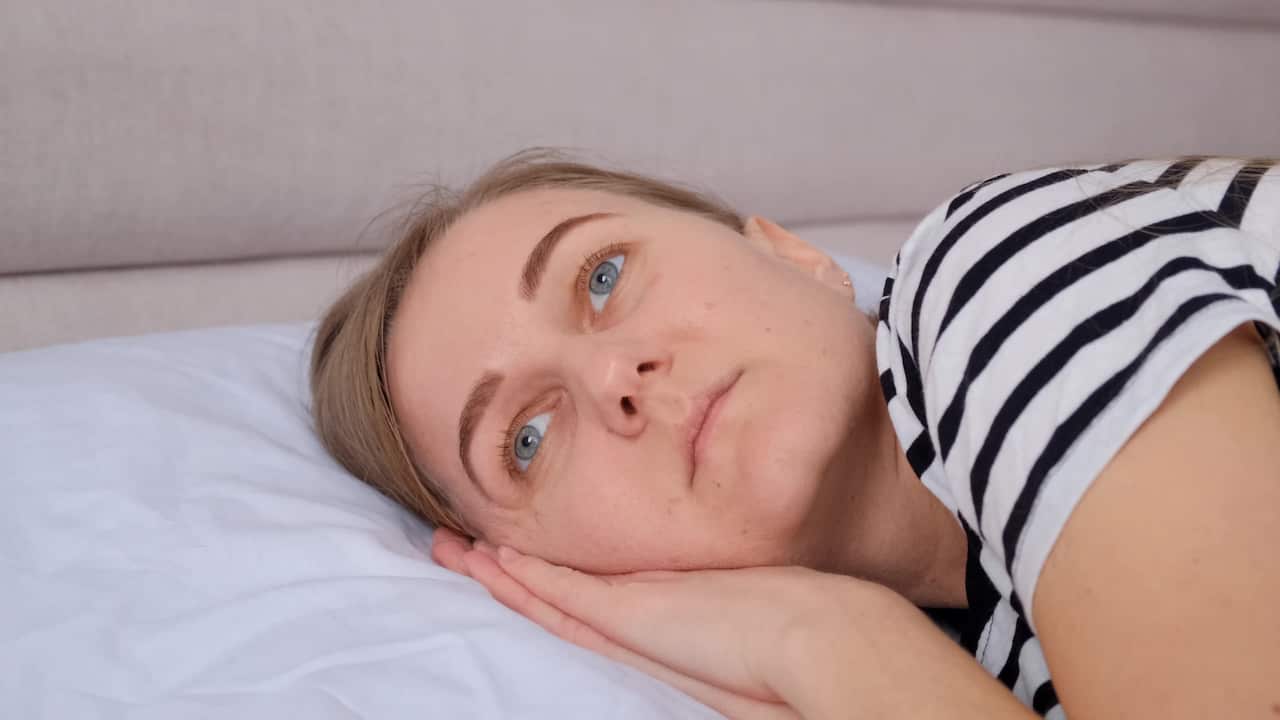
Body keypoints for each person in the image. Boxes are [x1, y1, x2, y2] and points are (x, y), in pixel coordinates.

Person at [309, 148, 1280, 719]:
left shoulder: (993, 277)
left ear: (791, 254)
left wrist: (827, 643)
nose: (614, 380)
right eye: (525, 438)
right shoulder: (972, 648)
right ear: (565, 569)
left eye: (600, 276)